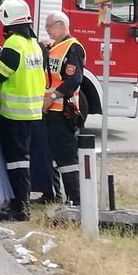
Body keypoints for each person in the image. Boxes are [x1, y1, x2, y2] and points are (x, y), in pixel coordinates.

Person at [0, 0, 44, 222]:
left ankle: (19, 208)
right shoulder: (34, 45)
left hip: (12, 113)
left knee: (16, 161)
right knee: (21, 160)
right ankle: (19, 203)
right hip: (29, 112)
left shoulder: (13, 45)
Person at [42, 10, 86, 205]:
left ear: (61, 24)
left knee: (67, 158)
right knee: (50, 155)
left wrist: (51, 98)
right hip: (51, 112)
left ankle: (75, 200)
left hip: (62, 111)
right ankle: (52, 194)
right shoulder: (54, 47)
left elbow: (73, 81)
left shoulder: (72, 48)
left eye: (49, 26)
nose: (47, 30)